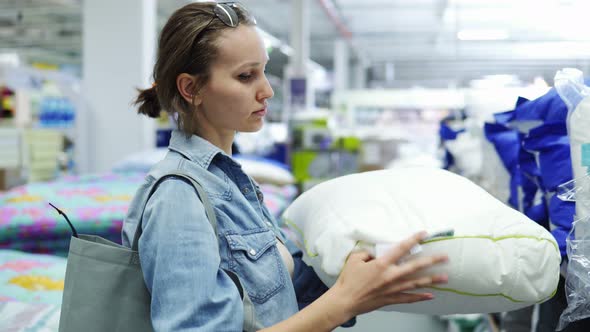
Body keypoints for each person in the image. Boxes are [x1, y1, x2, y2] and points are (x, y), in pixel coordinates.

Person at [122, 2, 449, 331]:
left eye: (263, 71)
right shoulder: (180, 199)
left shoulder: (231, 184)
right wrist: (342, 301)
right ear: (191, 88)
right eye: (246, 76)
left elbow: (280, 296)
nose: (267, 90)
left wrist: (354, 269)